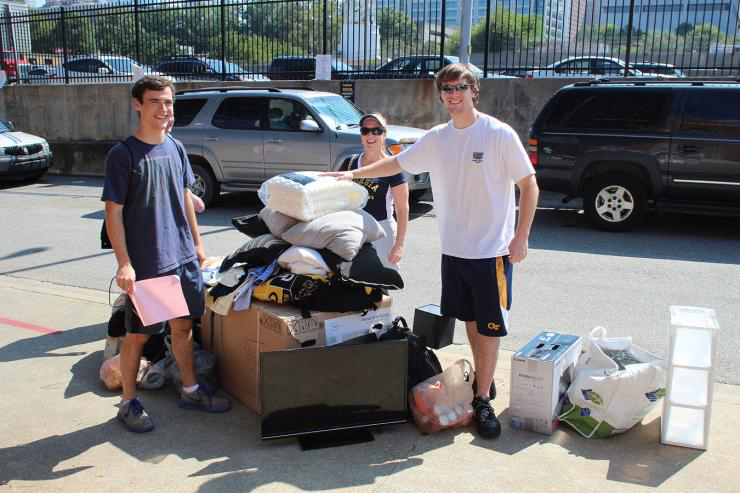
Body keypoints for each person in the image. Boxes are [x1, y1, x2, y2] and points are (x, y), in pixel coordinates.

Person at [324, 63, 539, 439]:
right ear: (440, 94)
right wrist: (351, 174)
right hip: (455, 251)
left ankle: (483, 397)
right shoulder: (438, 137)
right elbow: (397, 162)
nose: (453, 95)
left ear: (474, 90)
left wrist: (521, 237)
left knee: (489, 327)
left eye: (460, 87)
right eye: (446, 89)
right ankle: (482, 382)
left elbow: (529, 184)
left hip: (491, 252)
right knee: (471, 321)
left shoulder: (497, 134)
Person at [102, 75, 230, 433]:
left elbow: (185, 198)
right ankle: (128, 403)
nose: (163, 108)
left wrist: (198, 246)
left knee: (184, 326)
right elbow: (113, 212)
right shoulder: (123, 154)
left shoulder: (175, 147)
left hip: (182, 258)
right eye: (155, 101)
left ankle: (190, 390)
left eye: (168, 102)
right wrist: (124, 263)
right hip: (148, 262)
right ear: (138, 105)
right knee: (139, 336)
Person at [340, 113, 408, 268]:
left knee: (383, 285)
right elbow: (336, 196)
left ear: (384, 134)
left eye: (376, 130)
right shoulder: (349, 163)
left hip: (382, 233)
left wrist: (399, 245)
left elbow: (402, 209)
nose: (370, 135)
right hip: (353, 230)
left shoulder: (392, 168)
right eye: (365, 131)